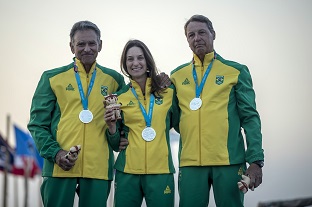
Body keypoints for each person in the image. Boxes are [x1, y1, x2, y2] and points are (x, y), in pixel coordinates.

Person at [27, 20, 127, 207]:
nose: (87, 48)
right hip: (59, 166)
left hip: (98, 168)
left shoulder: (115, 80)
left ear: (100, 45)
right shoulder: (51, 78)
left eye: (92, 43)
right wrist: (56, 154)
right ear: (72, 46)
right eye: (81, 44)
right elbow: (37, 124)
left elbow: (120, 126)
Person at [170, 14, 264, 207]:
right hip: (190, 163)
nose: (197, 38)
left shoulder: (235, 71)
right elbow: (175, 120)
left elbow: (250, 118)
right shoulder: (177, 76)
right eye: (191, 35)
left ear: (213, 34)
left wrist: (255, 160)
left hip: (229, 162)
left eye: (202, 32)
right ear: (187, 40)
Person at [104, 39, 179, 207]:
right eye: (130, 59)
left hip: (161, 171)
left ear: (148, 62)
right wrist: (112, 129)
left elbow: (178, 123)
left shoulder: (168, 92)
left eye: (140, 58)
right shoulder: (119, 97)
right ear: (125, 64)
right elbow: (116, 144)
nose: (135, 63)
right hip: (127, 172)